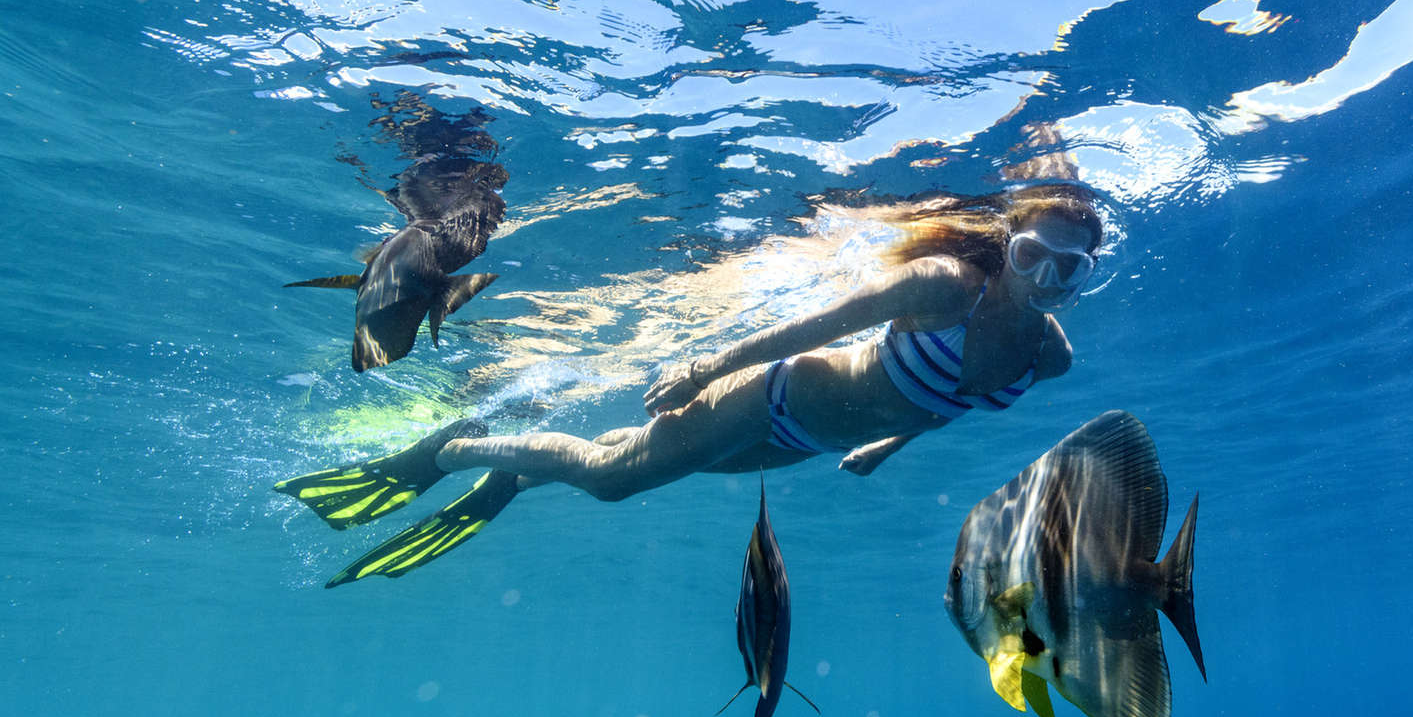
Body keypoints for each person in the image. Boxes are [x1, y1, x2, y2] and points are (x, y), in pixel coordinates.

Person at [277, 183, 1104, 586]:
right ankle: (457, 451)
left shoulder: (1050, 356)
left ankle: (520, 471)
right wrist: (709, 367)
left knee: (629, 459)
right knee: (612, 482)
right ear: (1010, 243)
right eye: (1035, 255)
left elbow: (952, 403)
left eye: (1072, 268)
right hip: (773, 395)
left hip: (808, 443)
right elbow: (819, 325)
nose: (1049, 278)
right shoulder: (944, 286)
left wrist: (886, 446)